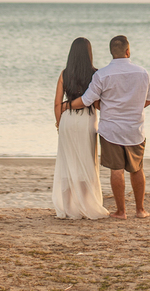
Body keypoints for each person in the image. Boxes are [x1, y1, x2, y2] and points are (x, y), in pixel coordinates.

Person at [69, 34, 150, 219]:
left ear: (111, 53)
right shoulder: (143, 73)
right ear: (128, 51)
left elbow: (87, 100)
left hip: (111, 130)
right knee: (137, 169)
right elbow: (149, 99)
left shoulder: (102, 75)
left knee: (117, 170)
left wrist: (66, 106)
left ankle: (121, 211)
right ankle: (140, 210)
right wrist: (131, 108)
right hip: (135, 129)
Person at [52, 37, 109, 219]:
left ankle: (68, 208)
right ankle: (85, 206)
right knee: (86, 162)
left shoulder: (64, 74)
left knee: (68, 162)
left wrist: (59, 124)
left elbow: (57, 103)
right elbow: (99, 104)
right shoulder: (96, 74)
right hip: (87, 119)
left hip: (67, 119)